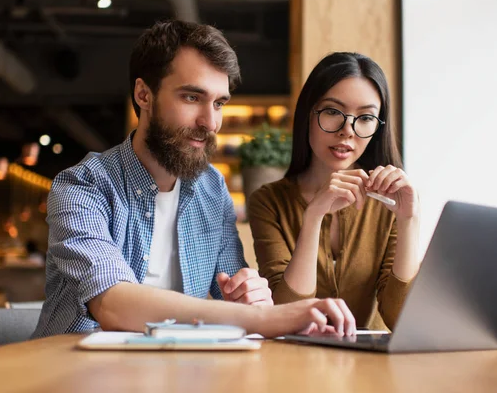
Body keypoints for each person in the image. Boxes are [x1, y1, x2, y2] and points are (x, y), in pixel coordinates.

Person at [33, 20, 355, 339]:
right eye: (191, 97)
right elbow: (112, 304)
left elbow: (235, 293)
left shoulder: (212, 188)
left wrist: (250, 295)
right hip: (77, 377)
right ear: (144, 95)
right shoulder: (81, 186)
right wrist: (260, 319)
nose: (210, 121)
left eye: (218, 103)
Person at [248, 52, 421, 331]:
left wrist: (408, 220)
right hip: (294, 363)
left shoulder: (388, 203)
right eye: (332, 112)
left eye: (365, 117)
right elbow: (285, 314)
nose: (347, 131)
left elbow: (402, 321)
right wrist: (314, 215)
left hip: (372, 367)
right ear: (308, 113)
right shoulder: (268, 202)